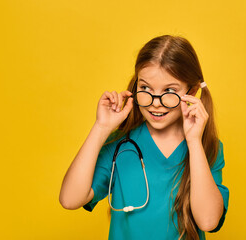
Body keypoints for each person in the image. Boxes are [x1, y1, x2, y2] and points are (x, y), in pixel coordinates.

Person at [59, 35, 229, 240]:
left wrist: (193, 142)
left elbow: (208, 221)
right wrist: (101, 127)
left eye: (169, 91)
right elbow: (69, 199)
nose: (155, 103)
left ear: (191, 92)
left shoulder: (205, 147)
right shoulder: (120, 144)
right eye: (146, 88)